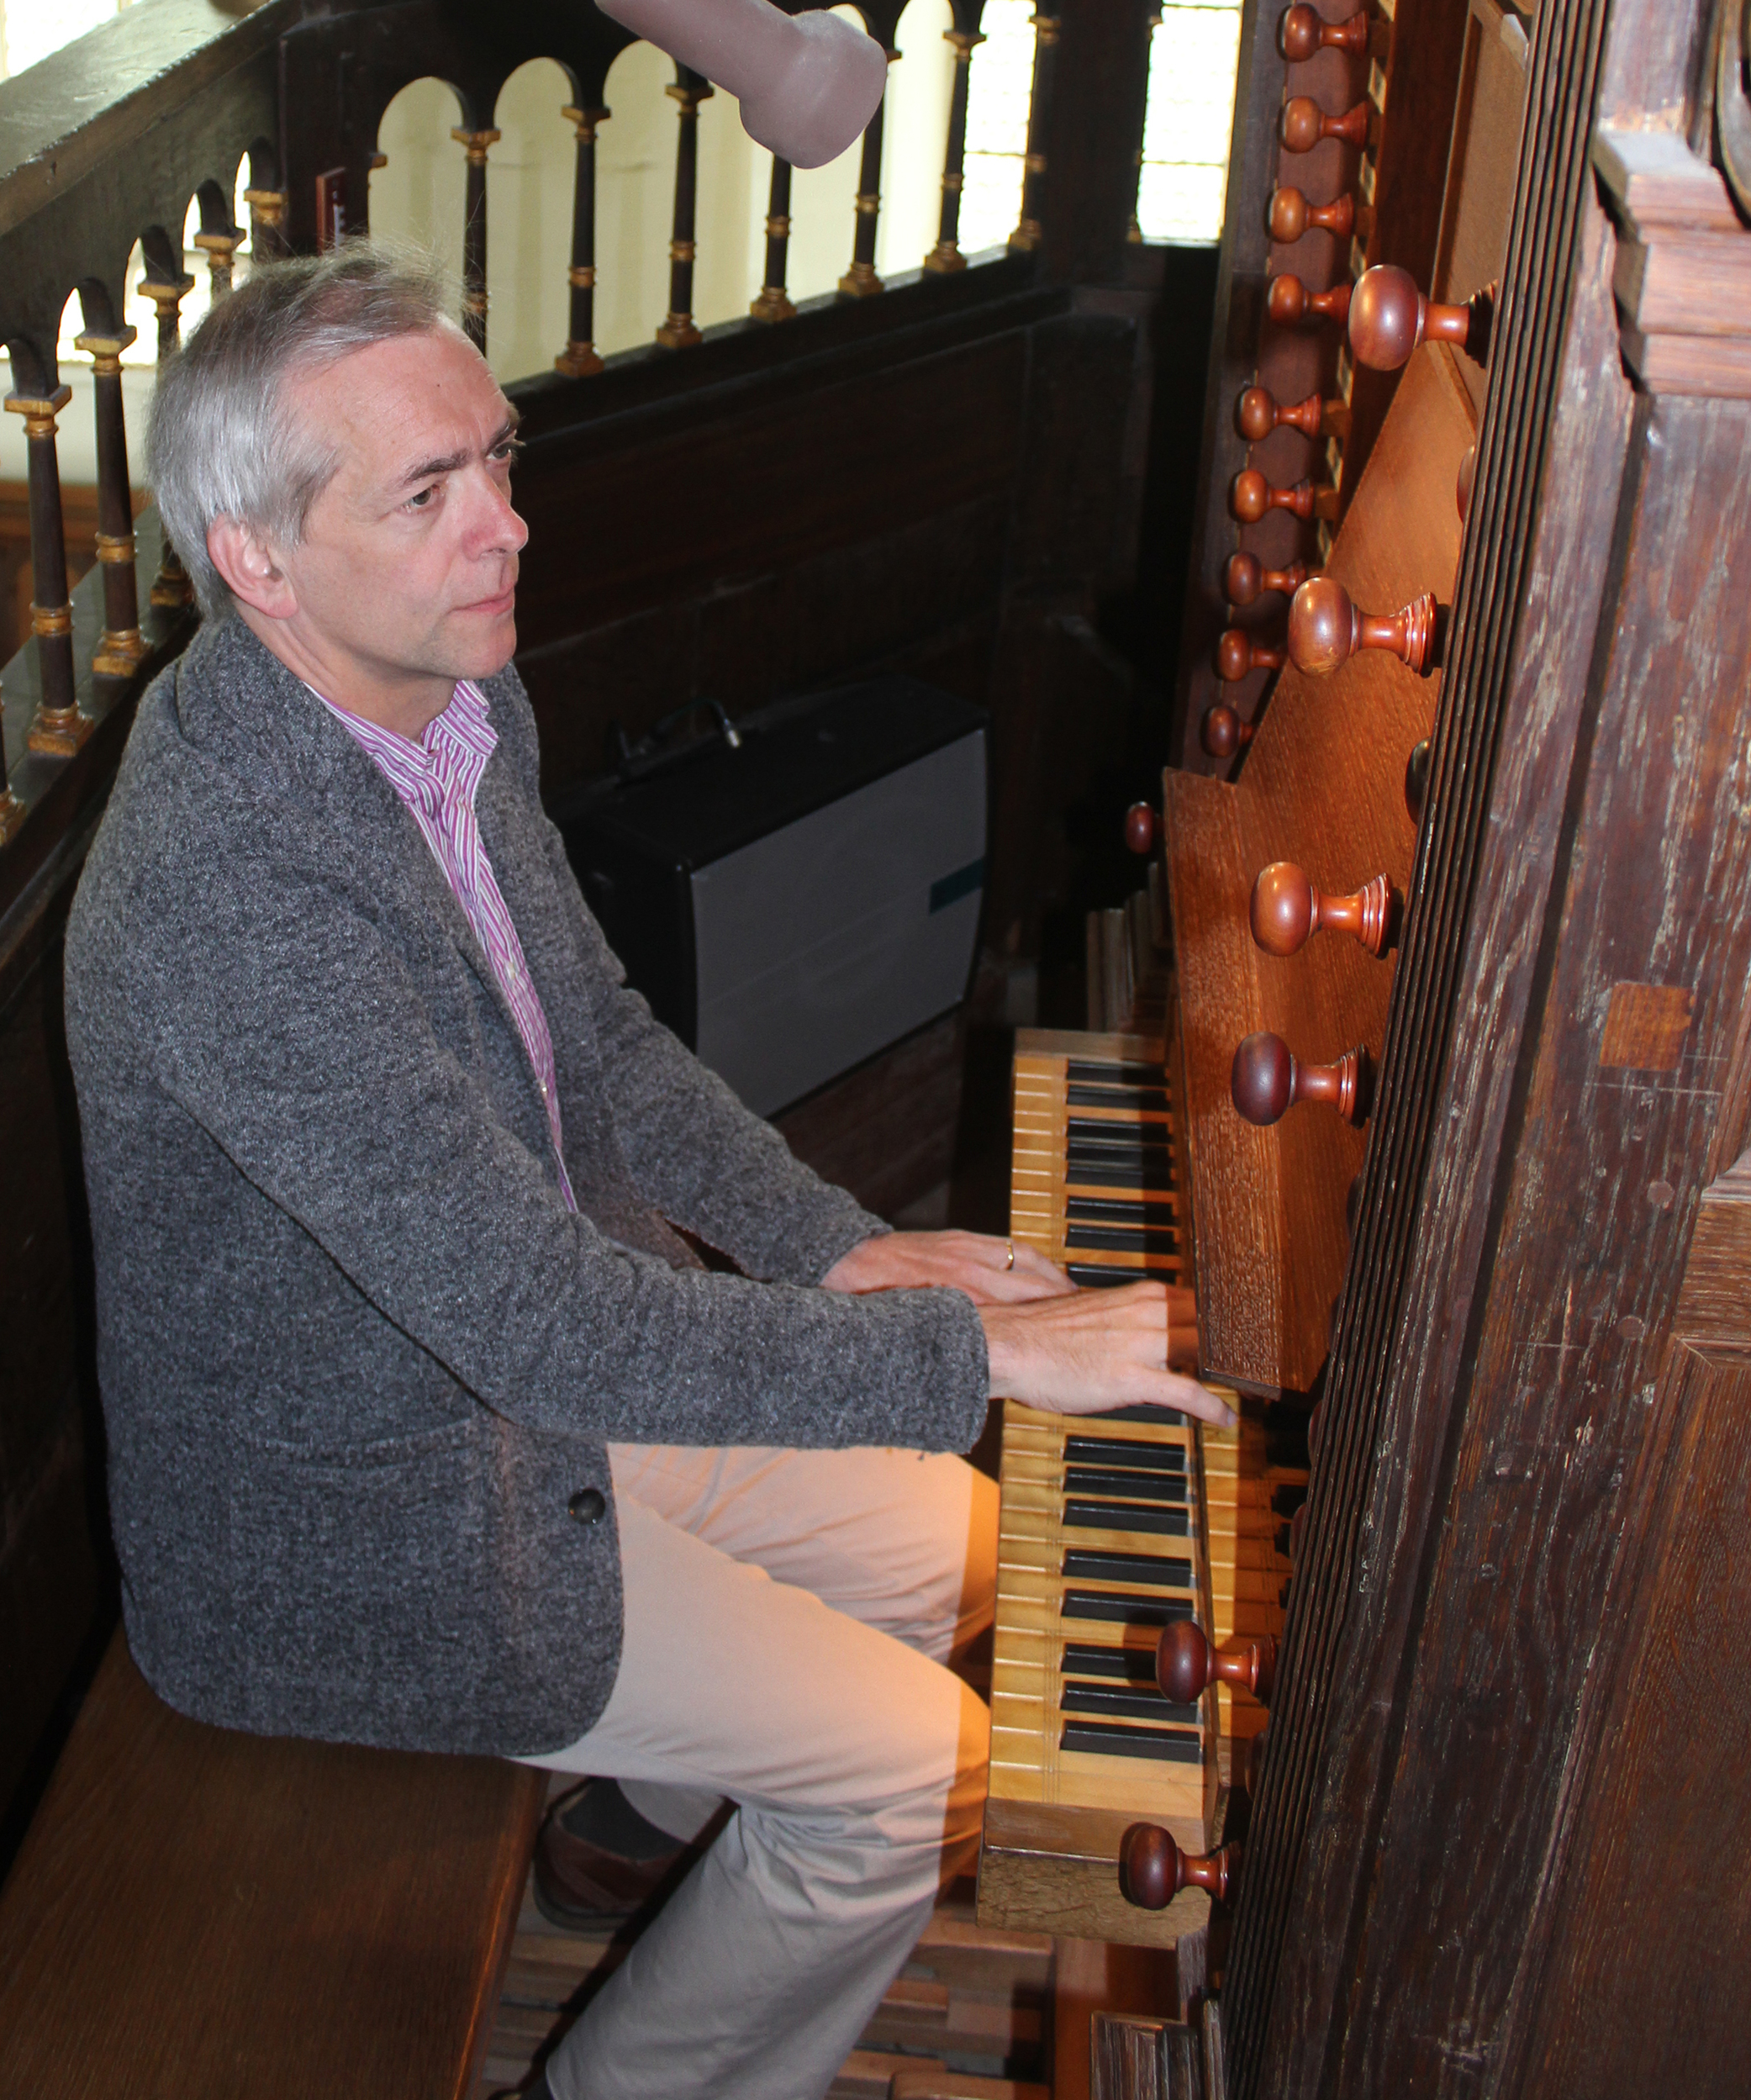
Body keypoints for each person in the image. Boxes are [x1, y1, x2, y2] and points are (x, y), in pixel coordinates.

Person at [64, 242, 1224, 2100]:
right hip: (359, 1527)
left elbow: (593, 1034)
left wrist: (845, 1254)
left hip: (515, 1393)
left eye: (498, 461)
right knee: (929, 1764)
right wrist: (982, 1356)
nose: (505, 528)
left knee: (949, 1538)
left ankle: (630, 1826)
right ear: (255, 562)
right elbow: (545, 1332)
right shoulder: (225, 892)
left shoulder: (448, 701)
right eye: (428, 492)